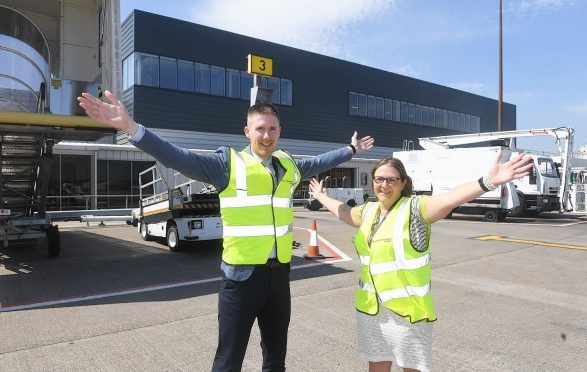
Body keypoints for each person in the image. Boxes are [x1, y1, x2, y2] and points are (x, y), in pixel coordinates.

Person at [77, 90, 374, 372]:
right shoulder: (227, 164)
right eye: (260, 129)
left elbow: (321, 162)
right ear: (247, 132)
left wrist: (350, 150)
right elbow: (177, 156)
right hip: (241, 281)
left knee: (276, 360)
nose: (266, 136)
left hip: (279, 277)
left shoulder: (289, 165)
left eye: (272, 129)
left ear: (279, 132)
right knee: (228, 361)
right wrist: (131, 128)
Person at [308, 152, 532, 372]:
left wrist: (489, 181)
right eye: (379, 179)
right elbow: (344, 211)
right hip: (372, 310)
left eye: (391, 179)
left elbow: (452, 198)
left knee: (412, 368)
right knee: (376, 366)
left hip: (408, 314)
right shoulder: (368, 211)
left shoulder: (415, 209)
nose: (384, 184)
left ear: (402, 182)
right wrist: (320, 195)